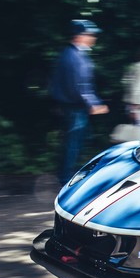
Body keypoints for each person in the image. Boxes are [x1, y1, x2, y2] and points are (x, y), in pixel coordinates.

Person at [50, 19, 109, 184]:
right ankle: (65, 179)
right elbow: (79, 86)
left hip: (73, 106)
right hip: (75, 107)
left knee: (76, 141)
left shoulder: (71, 53)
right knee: (73, 144)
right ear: (78, 36)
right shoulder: (74, 56)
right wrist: (93, 105)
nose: (93, 37)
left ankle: (66, 175)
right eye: (90, 34)